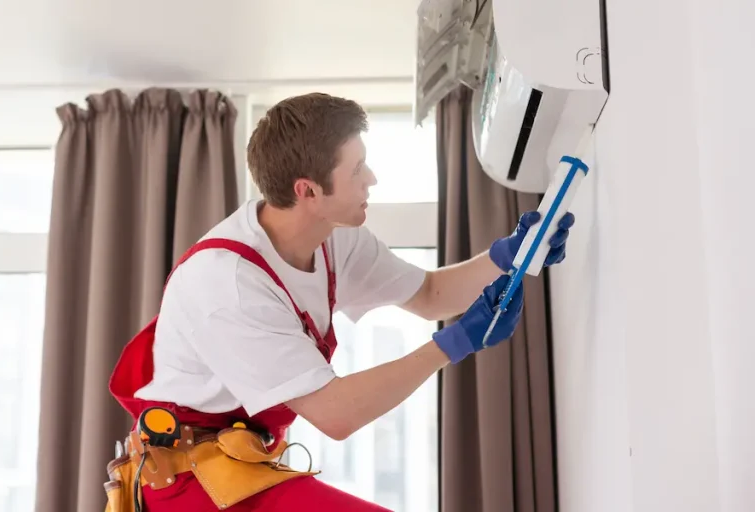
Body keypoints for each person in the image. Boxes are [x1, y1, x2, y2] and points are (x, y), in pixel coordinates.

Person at [105, 92, 575, 512]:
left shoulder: (335, 241)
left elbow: (430, 295)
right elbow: (336, 414)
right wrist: (454, 343)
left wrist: (506, 256)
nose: (371, 178)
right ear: (307, 191)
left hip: (236, 467)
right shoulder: (227, 284)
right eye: (356, 170)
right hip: (188, 486)